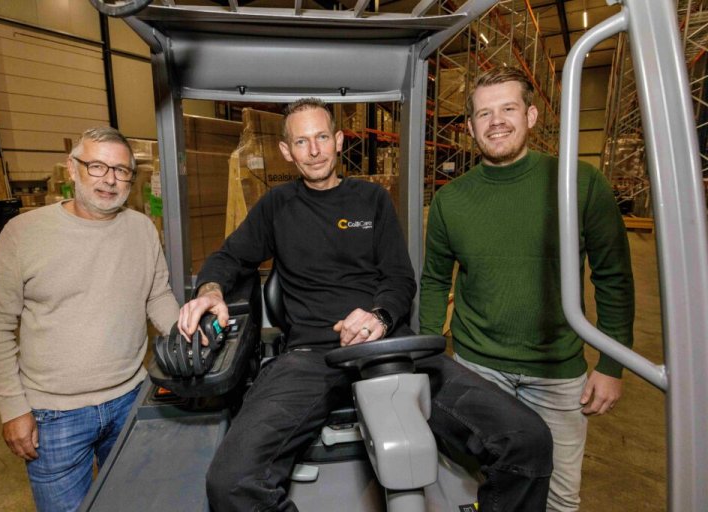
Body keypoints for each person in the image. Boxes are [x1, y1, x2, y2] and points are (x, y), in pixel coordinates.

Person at [178, 98, 553, 512]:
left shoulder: (372, 200)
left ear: (339, 141)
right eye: (301, 142)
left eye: (322, 137)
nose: (314, 150)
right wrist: (210, 291)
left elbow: (399, 279)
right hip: (311, 356)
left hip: (387, 347)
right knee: (231, 482)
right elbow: (229, 257)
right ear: (287, 151)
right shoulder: (276, 205)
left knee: (527, 441)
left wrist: (380, 317)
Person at [419, 65, 635, 512]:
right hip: (479, 369)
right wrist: (429, 359)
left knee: (558, 497)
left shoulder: (580, 184)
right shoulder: (450, 200)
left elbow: (613, 276)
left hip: (557, 374)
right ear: (471, 126)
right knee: (479, 489)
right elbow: (436, 280)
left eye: (508, 109)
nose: (496, 121)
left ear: (531, 116)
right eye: (484, 113)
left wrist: (612, 364)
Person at [0, 127, 180, 512]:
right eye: (97, 166)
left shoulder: (141, 229)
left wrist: (187, 336)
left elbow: (157, 296)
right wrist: (12, 408)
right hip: (53, 416)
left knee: (132, 502)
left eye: (121, 170)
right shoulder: (24, 233)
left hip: (130, 397)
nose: (109, 179)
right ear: (72, 168)